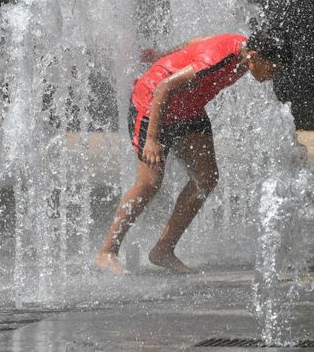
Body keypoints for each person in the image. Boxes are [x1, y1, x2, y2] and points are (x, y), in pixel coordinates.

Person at [94, 33, 279, 274]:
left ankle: (163, 250)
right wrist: (151, 139)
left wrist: (166, 55)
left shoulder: (244, 48)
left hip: (188, 109)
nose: (272, 75)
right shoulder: (220, 59)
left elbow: (196, 43)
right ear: (254, 57)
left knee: (206, 177)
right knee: (149, 184)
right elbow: (164, 86)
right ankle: (107, 251)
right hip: (152, 105)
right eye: (272, 68)